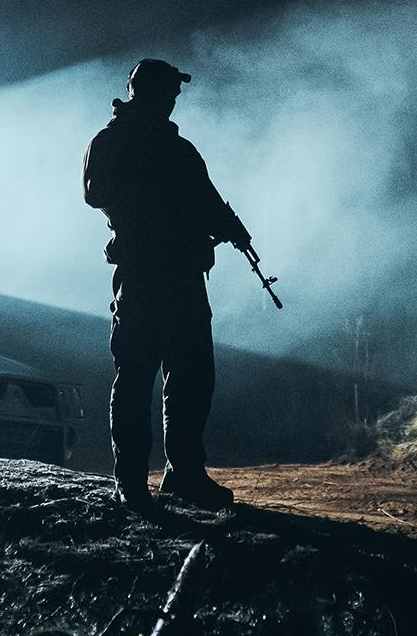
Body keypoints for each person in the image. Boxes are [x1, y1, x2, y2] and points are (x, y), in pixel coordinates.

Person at [82, 58, 252, 513]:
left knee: (192, 376)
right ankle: (131, 481)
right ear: (150, 92)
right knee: (137, 376)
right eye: (169, 91)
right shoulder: (114, 141)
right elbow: (97, 193)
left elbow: (209, 202)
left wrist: (227, 226)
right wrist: (169, 205)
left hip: (182, 274)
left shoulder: (178, 149)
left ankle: (185, 475)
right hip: (143, 273)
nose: (175, 99)